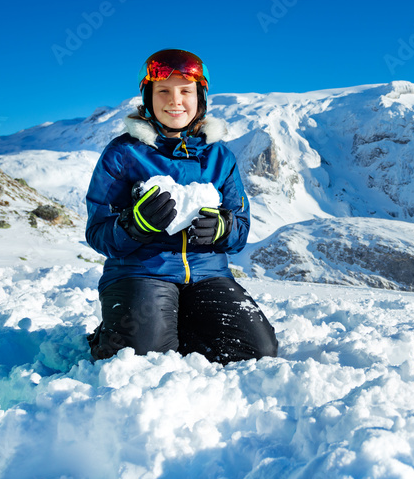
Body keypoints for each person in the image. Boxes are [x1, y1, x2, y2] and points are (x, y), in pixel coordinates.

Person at [84, 49, 277, 364]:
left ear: (200, 98)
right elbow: (98, 232)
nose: (175, 101)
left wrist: (222, 228)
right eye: (163, 91)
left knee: (257, 351)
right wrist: (134, 227)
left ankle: (174, 325)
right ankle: (114, 333)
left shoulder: (220, 157)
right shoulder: (123, 154)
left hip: (207, 275)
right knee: (143, 356)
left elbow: (240, 231)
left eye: (186, 91)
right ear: (148, 99)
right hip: (141, 272)